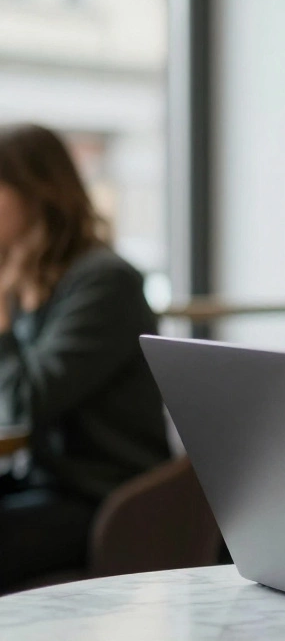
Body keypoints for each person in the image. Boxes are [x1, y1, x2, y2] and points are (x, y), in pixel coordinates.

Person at [0, 124, 170, 591]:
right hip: (44, 480)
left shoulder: (105, 282)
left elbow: (24, 404)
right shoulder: (27, 278)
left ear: (36, 193)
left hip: (106, 497)